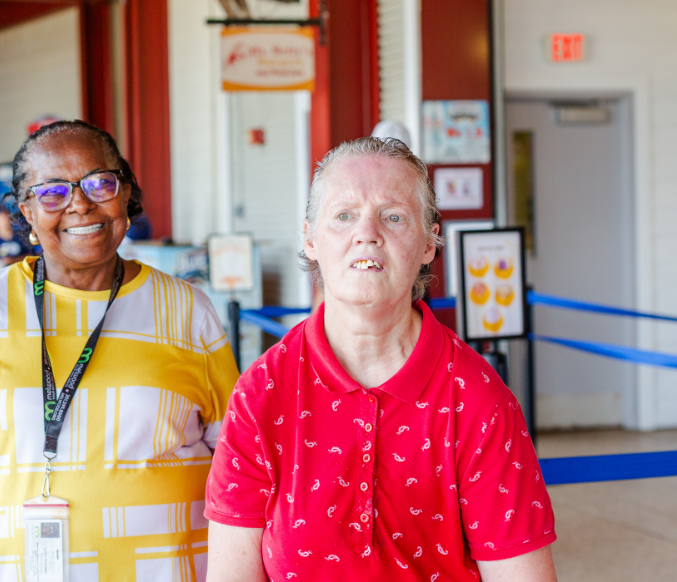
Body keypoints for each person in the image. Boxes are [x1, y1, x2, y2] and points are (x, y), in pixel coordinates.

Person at [204, 138, 558, 582]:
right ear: (310, 237)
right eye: (344, 215)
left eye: (393, 217)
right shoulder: (262, 393)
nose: (367, 233)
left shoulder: (478, 399)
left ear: (430, 242)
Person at [0, 120, 239, 581]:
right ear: (27, 213)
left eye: (100, 183)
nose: (80, 203)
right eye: (53, 193)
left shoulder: (188, 309)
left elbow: (237, 474)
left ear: (125, 195)